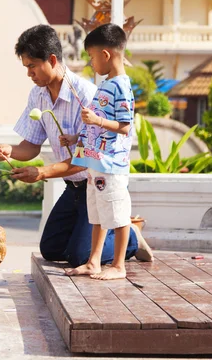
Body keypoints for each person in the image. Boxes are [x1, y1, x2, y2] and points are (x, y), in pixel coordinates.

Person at [0, 24, 150, 268]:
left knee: (79, 256)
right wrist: (9, 151)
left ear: (52, 59)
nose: (29, 74)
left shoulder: (88, 95)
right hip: (72, 189)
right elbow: (31, 146)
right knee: (51, 249)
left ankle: (130, 236)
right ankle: (103, 238)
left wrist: (43, 172)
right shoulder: (38, 95)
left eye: (32, 66)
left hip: (94, 182)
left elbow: (88, 155)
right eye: (26, 68)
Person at [58, 23, 139, 280]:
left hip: (111, 164)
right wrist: (75, 137)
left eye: (92, 57)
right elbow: (96, 122)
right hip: (96, 164)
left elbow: (125, 126)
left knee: (117, 213)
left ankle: (118, 265)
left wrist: (97, 121)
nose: (91, 63)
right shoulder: (105, 85)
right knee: (97, 213)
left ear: (106, 55)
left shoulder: (121, 87)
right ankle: (94, 261)